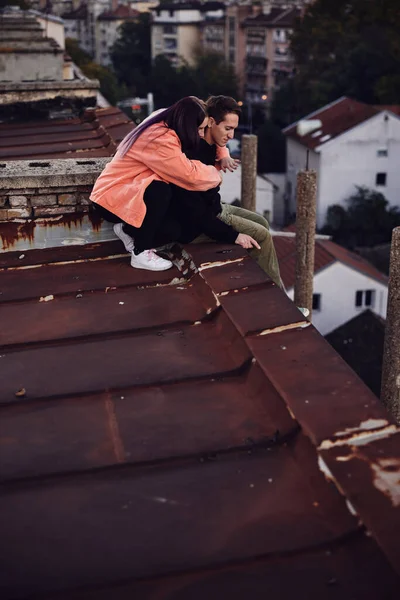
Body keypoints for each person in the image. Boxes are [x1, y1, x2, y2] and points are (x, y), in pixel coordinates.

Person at [90, 96, 259, 271]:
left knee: (172, 231)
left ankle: (127, 231)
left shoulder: (169, 117)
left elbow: (211, 118)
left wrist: (223, 153)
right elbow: (190, 175)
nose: (201, 134)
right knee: (160, 190)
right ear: (187, 125)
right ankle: (140, 253)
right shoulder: (160, 139)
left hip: (132, 189)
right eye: (199, 129)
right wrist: (216, 175)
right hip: (112, 198)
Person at [168, 95, 283, 288]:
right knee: (262, 235)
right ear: (211, 122)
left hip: (214, 208)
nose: (231, 136)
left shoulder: (211, 146)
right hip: (195, 226)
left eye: (234, 130)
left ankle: (257, 278)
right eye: (227, 129)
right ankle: (278, 299)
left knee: (262, 222)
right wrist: (233, 236)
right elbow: (195, 212)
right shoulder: (194, 156)